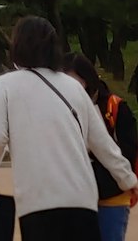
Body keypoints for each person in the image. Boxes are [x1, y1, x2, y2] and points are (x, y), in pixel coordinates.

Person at [0, 16, 138, 241]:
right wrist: (128, 180)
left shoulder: (4, 85)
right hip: (82, 200)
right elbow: (103, 145)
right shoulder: (72, 86)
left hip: (39, 202)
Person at [67, 54, 138, 241]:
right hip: (77, 198)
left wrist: (96, 146)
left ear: (88, 79)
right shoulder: (61, 110)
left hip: (112, 196)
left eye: (75, 81)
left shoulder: (115, 107)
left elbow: (128, 152)